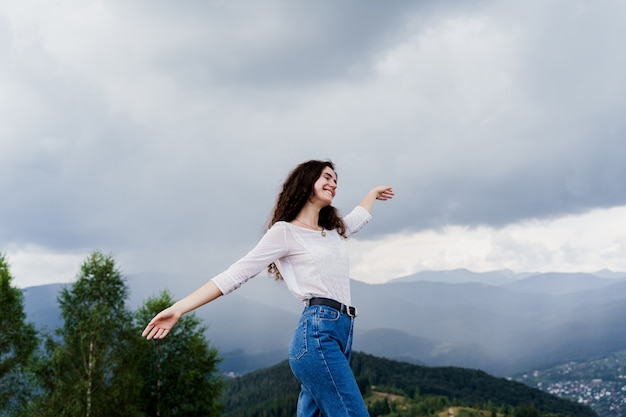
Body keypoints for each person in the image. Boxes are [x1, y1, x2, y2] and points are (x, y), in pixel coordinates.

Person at [142, 159, 394, 417]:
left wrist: (372, 194)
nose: (333, 184)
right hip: (318, 334)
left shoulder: (331, 231)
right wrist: (178, 309)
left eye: (336, 181)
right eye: (327, 178)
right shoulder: (284, 232)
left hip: (342, 332)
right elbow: (235, 274)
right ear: (306, 182)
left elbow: (358, 217)